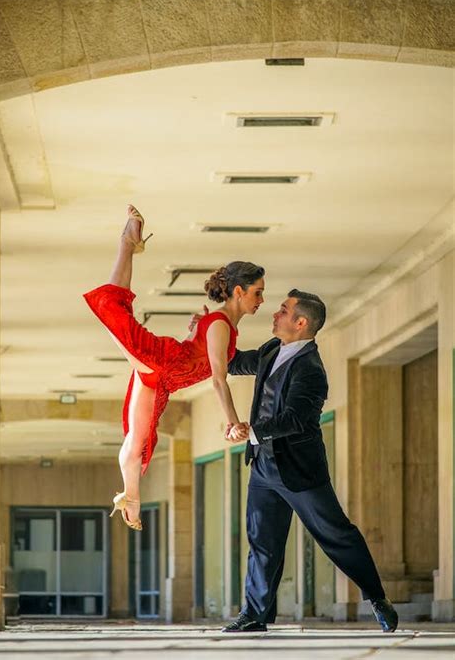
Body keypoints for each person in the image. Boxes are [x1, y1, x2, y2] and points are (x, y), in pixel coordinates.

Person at [195, 289, 398, 633]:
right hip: (263, 467)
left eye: (283, 310)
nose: (275, 313)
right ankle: (255, 614)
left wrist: (251, 431)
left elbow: (295, 420)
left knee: (336, 534)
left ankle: (377, 598)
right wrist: (207, 332)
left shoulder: (312, 370)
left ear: (301, 322)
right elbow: (231, 361)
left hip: (300, 471)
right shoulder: (272, 349)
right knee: (263, 541)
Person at [83, 204, 265, 531]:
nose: (261, 300)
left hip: (163, 378)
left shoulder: (221, 324)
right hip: (159, 361)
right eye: (257, 293)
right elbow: (219, 381)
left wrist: (195, 332)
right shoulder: (222, 324)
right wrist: (232, 422)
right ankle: (127, 243)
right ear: (239, 292)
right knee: (111, 307)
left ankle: (130, 499)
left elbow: (200, 355)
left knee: (138, 439)